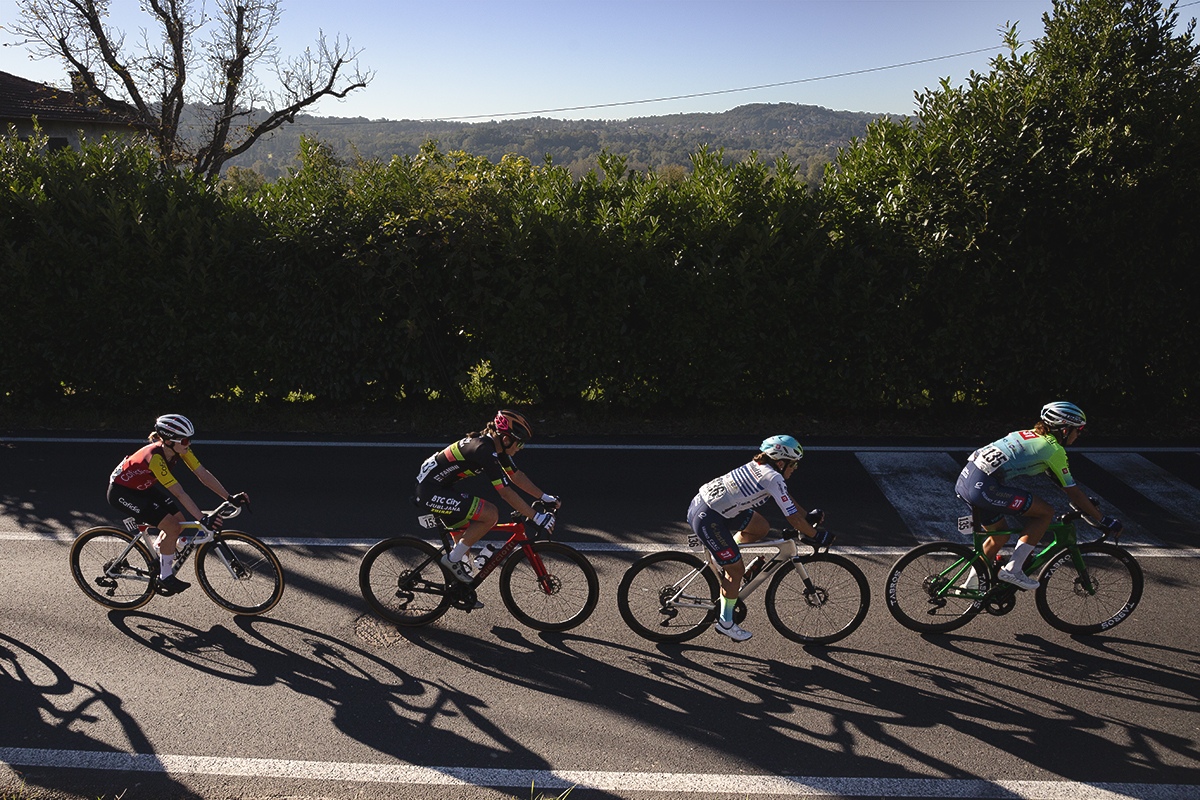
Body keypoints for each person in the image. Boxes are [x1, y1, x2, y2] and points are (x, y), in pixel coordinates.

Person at [955, 401, 1122, 591]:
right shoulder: (1054, 450)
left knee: (998, 537)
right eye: (1079, 429)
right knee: (1045, 512)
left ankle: (971, 586)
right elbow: (1073, 491)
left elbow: (1059, 481)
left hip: (965, 480)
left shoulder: (1028, 434)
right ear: (1065, 430)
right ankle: (1014, 569)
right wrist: (1104, 520)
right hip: (983, 488)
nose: (1080, 434)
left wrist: (1086, 506)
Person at [687, 435, 830, 642]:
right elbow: (792, 518)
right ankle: (725, 622)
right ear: (781, 463)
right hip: (708, 517)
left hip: (710, 506)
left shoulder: (763, 467)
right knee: (735, 571)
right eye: (794, 465)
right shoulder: (772, 477)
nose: (795, 469)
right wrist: (817, 535)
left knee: (761, 527)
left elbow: (788, 502)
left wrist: (807, 517)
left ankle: (725, 559)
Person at [107, 414, 247, 595]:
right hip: (122, 492)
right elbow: (179, 493)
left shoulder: (180, 449)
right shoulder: (156, 458)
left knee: (179, 521)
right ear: (169, 441)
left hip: (141, 487)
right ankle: (165, 577)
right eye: (185, 440)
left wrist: (229, 497)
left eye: (190, 439)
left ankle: (161, 547)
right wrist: (202, 518)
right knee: (172, 526)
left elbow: (203, 474)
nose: (189, 444)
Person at [414, 409, 559, 582]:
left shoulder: (495, 447)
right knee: (490, 514)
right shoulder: (484, 450)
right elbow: (505, 492)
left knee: (464, 552)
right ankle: (451, 560)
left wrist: (544, 497)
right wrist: (536, 517)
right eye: (519, 444)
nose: (521, 448)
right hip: (430, 492)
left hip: (441, 488)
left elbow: (516, 476)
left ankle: (458, 590)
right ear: (506, 439)